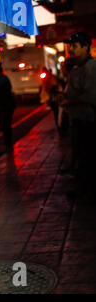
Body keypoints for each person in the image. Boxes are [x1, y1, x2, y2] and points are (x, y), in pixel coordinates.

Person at [62, 32, 96, 199]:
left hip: (90, 121)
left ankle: (87, 191)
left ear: (85, 47)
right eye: (71, 46)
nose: (71, 50)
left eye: (75, 46)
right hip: (79, 120)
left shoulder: (91, 67)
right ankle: (83, 189)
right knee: (82, 155)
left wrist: (70, 102)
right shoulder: (77, 68)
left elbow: (92, 96)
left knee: (88, 156)